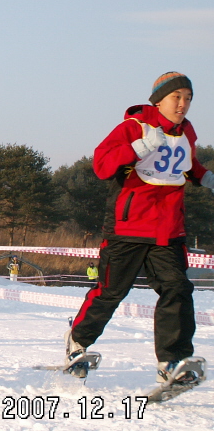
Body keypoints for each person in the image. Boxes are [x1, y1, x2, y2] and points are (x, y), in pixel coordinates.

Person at [66, 72, 214, 383]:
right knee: (110, 292)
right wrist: (138, 147)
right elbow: (102, 166)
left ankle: (173, 363)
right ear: (158, 100)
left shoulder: (187, 132)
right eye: (177, 97)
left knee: (178, 290)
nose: (183, 104)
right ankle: (77, 342)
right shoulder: (134, 127)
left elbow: (185, 166)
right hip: (128, 228)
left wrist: (204, 177)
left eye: (188, 98)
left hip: (168, 230)